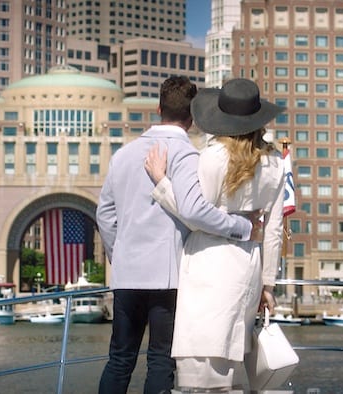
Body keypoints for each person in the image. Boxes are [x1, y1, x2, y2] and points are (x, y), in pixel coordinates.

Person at [96, 76, 263, 394]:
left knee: (119, 360)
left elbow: (105, 216)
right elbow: (195, 210)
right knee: (160, 361)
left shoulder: (122, 156)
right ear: (194, 117)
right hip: (168, 278)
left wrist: (121, 256)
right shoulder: (187, 155)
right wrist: (242, 226)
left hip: (127, 275)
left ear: (158, 109)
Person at [144, 78, 287, 392]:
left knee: (199, 373)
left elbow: (196, 217)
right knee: (231, 369)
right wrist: (268, 284)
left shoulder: (212, 157)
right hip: (247, 268)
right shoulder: (276, 163)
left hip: (208, 266)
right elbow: (274, 230)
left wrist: (162, 185)